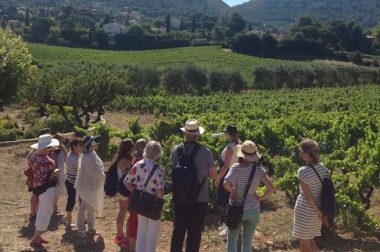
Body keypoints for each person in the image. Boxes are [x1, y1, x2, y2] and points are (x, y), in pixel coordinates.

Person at [170, 119, 218, 252]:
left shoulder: (176, 150)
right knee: (194, 234)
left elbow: (174, 169)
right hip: (199, 198)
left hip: (180, 197)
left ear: (185, 133)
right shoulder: (205, 152)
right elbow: (213, 175)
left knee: (178, 231)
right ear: (197, 135)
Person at [224, 140, 275, 252]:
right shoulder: (258, 170)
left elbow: (225, 184)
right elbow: (271, 188)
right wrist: (261, 197)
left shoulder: (236, 168)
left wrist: (234, 191)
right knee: (247, 240)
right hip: (253, 209)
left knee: (232, 239)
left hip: (237, 208)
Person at [124, 141, 165, 252]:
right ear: (158, 153)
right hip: (152, 204)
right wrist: (161, 203)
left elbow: (126, 181)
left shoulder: (138, 164)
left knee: (141, 230)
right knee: (152, 233)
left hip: (140, 202)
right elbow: (160, 191)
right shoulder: (159, 169)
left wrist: (135, 192)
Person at [293, 139, 329, 252]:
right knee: (310, 240)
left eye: (301, 152)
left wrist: (319, 212)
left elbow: (308, 197)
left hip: (306, 210)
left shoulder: (302, 172)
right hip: (318, 209)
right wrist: (321, 213)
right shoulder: (323, 168)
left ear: (304, 153)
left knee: (304, 243)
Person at [29, 134, 60, 248]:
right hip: (45, 187)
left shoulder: (37, 155)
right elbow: (42, 176)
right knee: (45, 211)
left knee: (44, 210)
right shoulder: (40, 158)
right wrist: (54, 173)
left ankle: (37, 237)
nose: (50, 149)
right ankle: (35, 238)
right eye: (48, 147)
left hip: (43, 187)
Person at [75, 136, 106, 237]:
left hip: (92, 184)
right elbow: (91, 172)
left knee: (91, 206)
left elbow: (97, 167)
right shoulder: (86, 157)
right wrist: (102, 175)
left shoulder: (92, 153)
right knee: (84, 206)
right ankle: (81, 228)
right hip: (86, 185)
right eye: (93, 144)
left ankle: (91, 228)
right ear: (89, 145)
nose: (95, 145)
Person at [214, 124, 242, 236]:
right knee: (231, 200)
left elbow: (225, 165)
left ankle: (227, 226)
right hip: (235, 174)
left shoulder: (231, 146)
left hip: (228, 174)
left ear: (229, 134)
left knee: (226, 201)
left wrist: (218, 179)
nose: (224, 134)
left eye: (225, 132)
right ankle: (227, 225)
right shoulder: (239, 143)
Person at [26, 128, 52, 222]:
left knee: (36, 194)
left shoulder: (39, 149)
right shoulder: (37, 150)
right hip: (39, 177)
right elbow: (29, 157)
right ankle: (33, 213)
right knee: (36, 194)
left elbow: (29, 158)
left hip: (37, 175)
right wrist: (34, 168)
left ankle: (33, 213)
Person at [114, 139, 135, 248]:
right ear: (130, 148)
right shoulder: (126, 160)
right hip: (124, 190)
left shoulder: (121, 158)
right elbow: (128, 175)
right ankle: (120, 235)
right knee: (123, 212)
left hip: (121, 189)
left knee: (123, 211)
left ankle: (120, 234)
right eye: (133, 146)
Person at [127, 139, 148, 252]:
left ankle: (132, 247)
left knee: (134, 220)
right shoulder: (143, 162)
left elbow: (128, 181)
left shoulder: (135, 160)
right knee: (139, 222)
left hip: (134, 195)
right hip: (141, 196)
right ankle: (135, 248)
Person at [64, 137, 84, 228]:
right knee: (71, 200)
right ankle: (68, 220)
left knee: (81, 200)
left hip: (76, 181)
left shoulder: (76, 154)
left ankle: (82, 218)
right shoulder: (73, 157)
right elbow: (81, 169)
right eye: (80, 145)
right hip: (72, 182)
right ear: (74, 146)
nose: (82, 147)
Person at [52, 133, 68, 214]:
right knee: (54, 190)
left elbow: (66, 158)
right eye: (61, 139)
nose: (62, 141)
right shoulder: (52, 149)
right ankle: (53, 208)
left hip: (61, 172)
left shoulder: (61, 148)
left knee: (57, 190)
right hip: (55, 172)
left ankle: (55, 207)